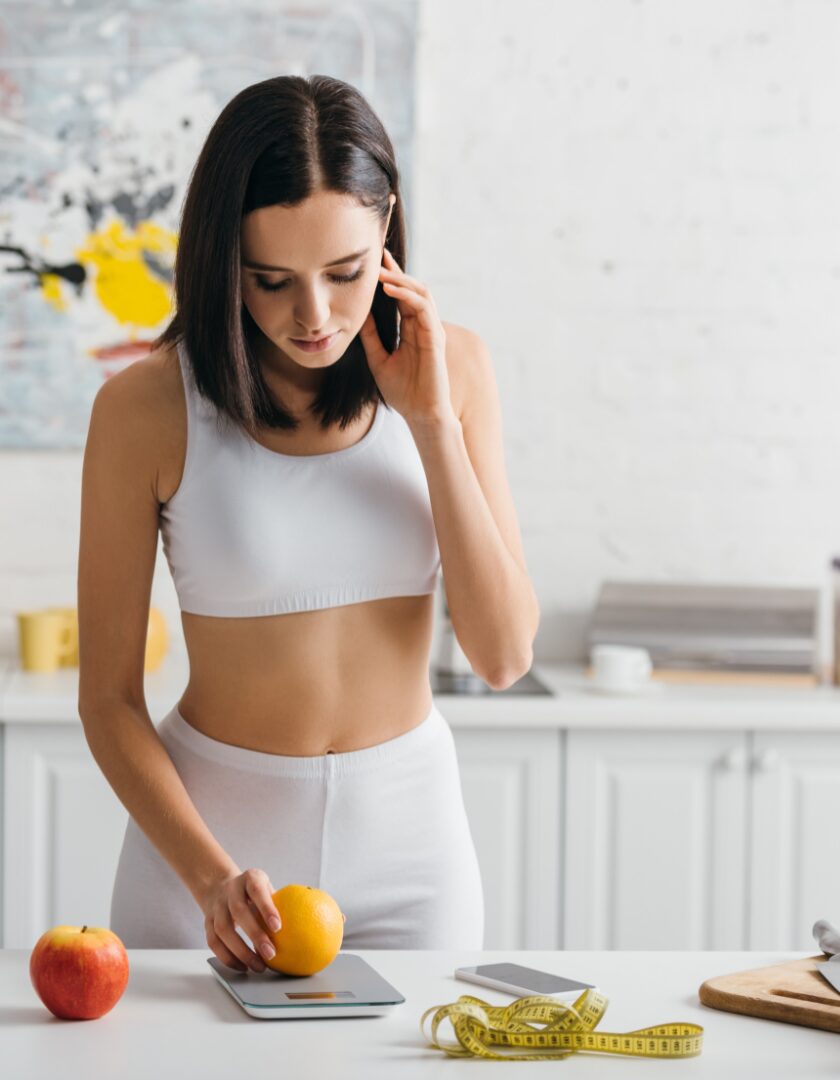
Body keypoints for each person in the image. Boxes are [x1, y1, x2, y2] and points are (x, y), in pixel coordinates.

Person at [77, 74, 539, 974]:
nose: (315, 316)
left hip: (413, 852)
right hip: (205, 861)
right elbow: (108, 700)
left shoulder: (461, 374)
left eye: (346, 273)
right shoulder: (147, 408)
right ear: (223, 259)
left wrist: (433, 424)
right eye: (272, 280)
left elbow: (503, 655)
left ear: (388, 232)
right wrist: (208, 878)